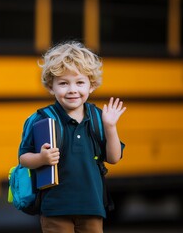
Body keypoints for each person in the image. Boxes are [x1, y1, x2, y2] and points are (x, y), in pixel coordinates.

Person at [18, 41, 126, 233]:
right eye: (63, 83)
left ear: (91, 85)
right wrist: (41, 158)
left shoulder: (99, 118)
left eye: (80, 82)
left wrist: (110, 126)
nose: (72, 90)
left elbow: (114, 158)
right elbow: (23, 158)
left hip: (92, 207)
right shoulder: (39, 119)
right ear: (51, 87)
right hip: (54, 208)